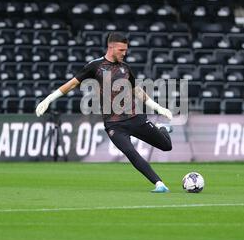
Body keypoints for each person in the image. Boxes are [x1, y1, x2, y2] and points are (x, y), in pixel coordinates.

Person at [36, 33, 173, 193]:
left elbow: (137, 91)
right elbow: (72, 84)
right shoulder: (95, 66)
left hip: (135, 118)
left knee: (166, 146)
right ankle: (159, 184)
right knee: (130, 152)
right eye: (121, 50)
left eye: (126, 50)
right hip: (114, 125)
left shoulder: (126, 68)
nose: (124, 53)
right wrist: (48, 99)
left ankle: (161, 128)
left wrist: (158, 107)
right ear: (111, 48)